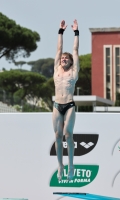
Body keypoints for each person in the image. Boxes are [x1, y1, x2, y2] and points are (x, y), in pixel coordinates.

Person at [52, 19, 79, 181]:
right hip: (56, 105)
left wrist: (76, 32)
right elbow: (59, 48)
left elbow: (75, 49)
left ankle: (70, 165)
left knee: (68, 135)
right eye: (62, 58)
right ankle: (60, 165)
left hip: (69, 105)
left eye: (66, 58)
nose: (63, 59)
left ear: (70, 61)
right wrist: (60, 31)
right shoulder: (57, 69)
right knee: (57, 135)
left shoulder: (73, 71)